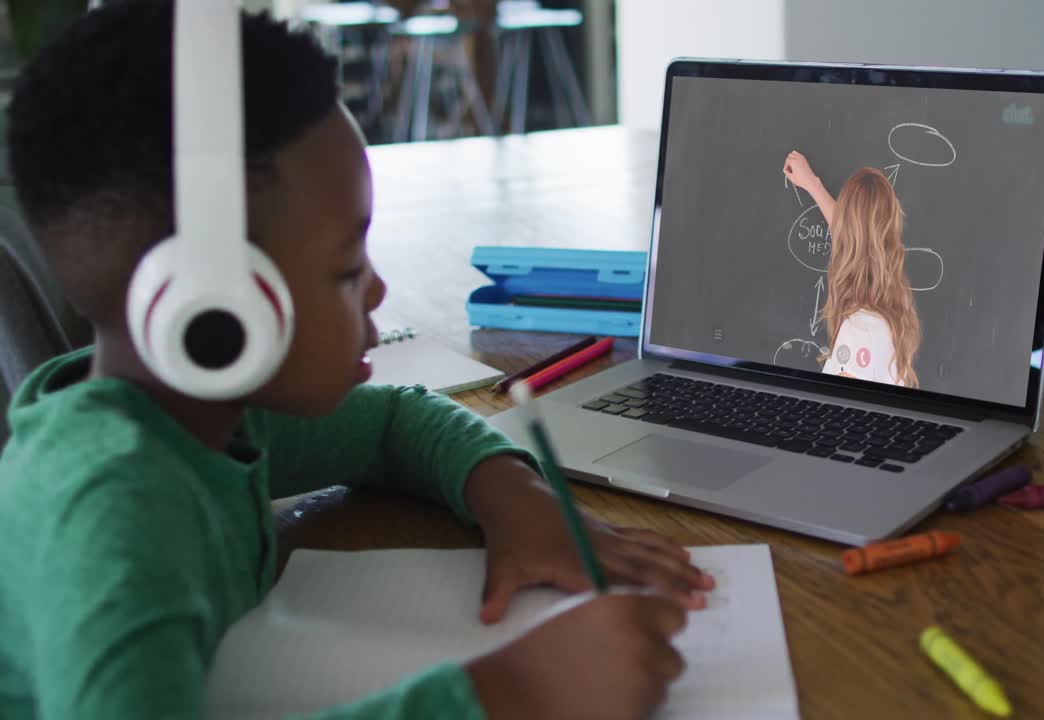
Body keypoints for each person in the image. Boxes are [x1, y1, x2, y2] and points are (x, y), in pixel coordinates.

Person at [0, 3, 713, 719]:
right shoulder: (113, 518)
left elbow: (392, 422)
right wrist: (509, 694)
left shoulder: (205, 418)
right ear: (215, 312)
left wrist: (515, 500)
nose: (376, 288)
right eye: (346, 270)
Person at [783, 150, 921, 388]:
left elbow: (835, 414)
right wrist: (813, 185)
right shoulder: (890, 316)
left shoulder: (860, 332)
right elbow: (858, 238)